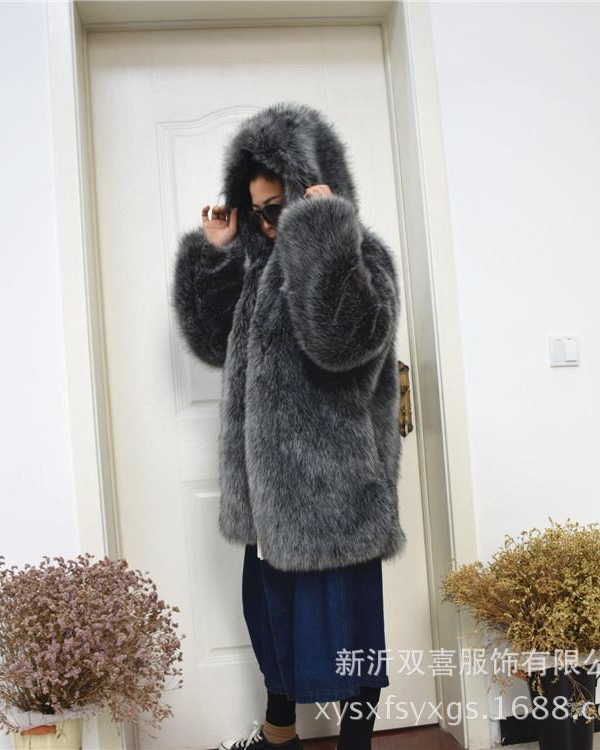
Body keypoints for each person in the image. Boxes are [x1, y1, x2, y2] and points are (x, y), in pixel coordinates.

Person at [171, 102, 407, 750]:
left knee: (350, 642)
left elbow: (342, 340)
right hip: (268, 501)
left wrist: (325, 235)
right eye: (257, 213)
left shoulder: (363, 256)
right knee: (274, 633)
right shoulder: (259, 274)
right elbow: (213, 343)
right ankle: (279, 737)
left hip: (335, 497)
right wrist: (215, 256)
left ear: (312, 189)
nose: (268, 225)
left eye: (277, 208)